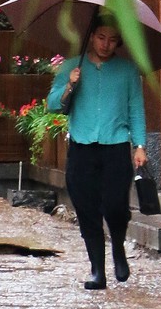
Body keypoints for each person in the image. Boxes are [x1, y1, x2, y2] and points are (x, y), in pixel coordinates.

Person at [47, 15, 147, 290]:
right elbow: (53, 105)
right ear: (92, 37)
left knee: (115, 206)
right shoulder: (72, 66)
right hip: (82, 148)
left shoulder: (127, 71)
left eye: (113, 40)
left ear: (119, 43)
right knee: (87, 208)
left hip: (115, 147)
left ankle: (117, 246)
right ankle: (97, 270)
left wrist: (139, 145)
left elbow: (136, 108)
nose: (106, 44)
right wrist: (70, 85)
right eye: (101, 37)